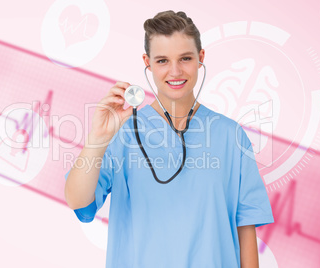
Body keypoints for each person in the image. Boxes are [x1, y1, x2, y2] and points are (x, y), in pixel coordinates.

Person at [64, 10, 274, 268]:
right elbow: (78, 201)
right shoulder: (125, 133)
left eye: (185, 58)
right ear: (148, 63)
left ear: (201, 58)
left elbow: (245, 228)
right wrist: (98, 137)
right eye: (162, 60)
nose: (175, 71)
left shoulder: (230, 135)